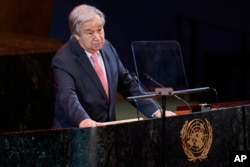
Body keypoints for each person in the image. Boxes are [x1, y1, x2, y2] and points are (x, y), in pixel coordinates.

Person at [51, 4, 176, 129]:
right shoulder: (64, 60)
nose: (98, 37)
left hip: (107, 130)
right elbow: (67, 97)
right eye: (90, 33)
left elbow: (127, 83)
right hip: (74, 134)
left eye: (100, 30)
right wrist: (84, 120)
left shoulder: (107, 47)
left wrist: (156, 111)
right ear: (76, 35)